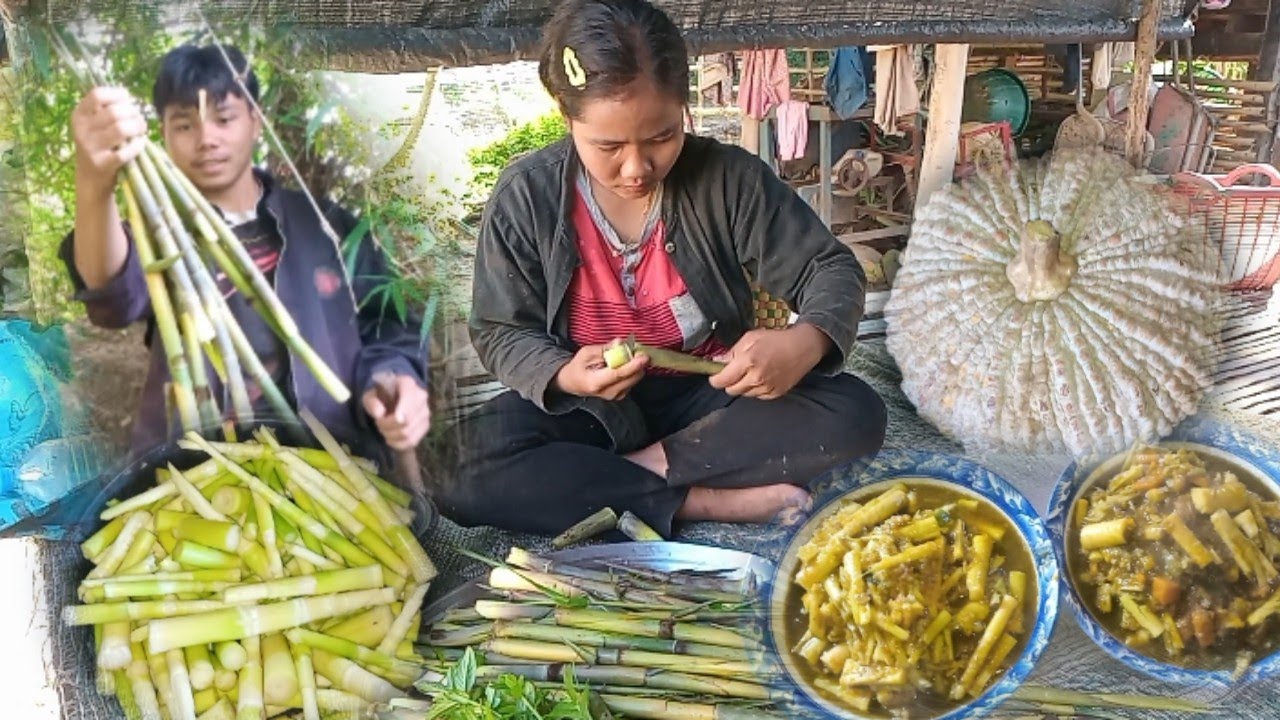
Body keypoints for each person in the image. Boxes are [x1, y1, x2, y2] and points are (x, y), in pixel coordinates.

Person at [435, 0, 888, 537]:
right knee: (452, 469)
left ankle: (626, 476)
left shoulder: (728, 180)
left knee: (855, 412)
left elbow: (829, 268)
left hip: (711, 397)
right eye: (607, 146)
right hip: (587, 408)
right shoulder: (525, 197)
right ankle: (702, 500)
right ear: (566, 116)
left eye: (661, 138)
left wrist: (804, 342)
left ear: (683, 106)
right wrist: (563, 374)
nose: (636, 168)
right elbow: (500, 330)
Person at [60, 44, 430, 461]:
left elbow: (388, 323)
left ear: (255, 122)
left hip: (335, 459)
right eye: (184, 125)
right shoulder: (156, 234)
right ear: (162, 134)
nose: (206, 139)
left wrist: (393, 377)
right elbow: (112, 291)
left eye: (224, 119)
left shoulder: (327, 225)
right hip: (202, 466)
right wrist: (94, 183)